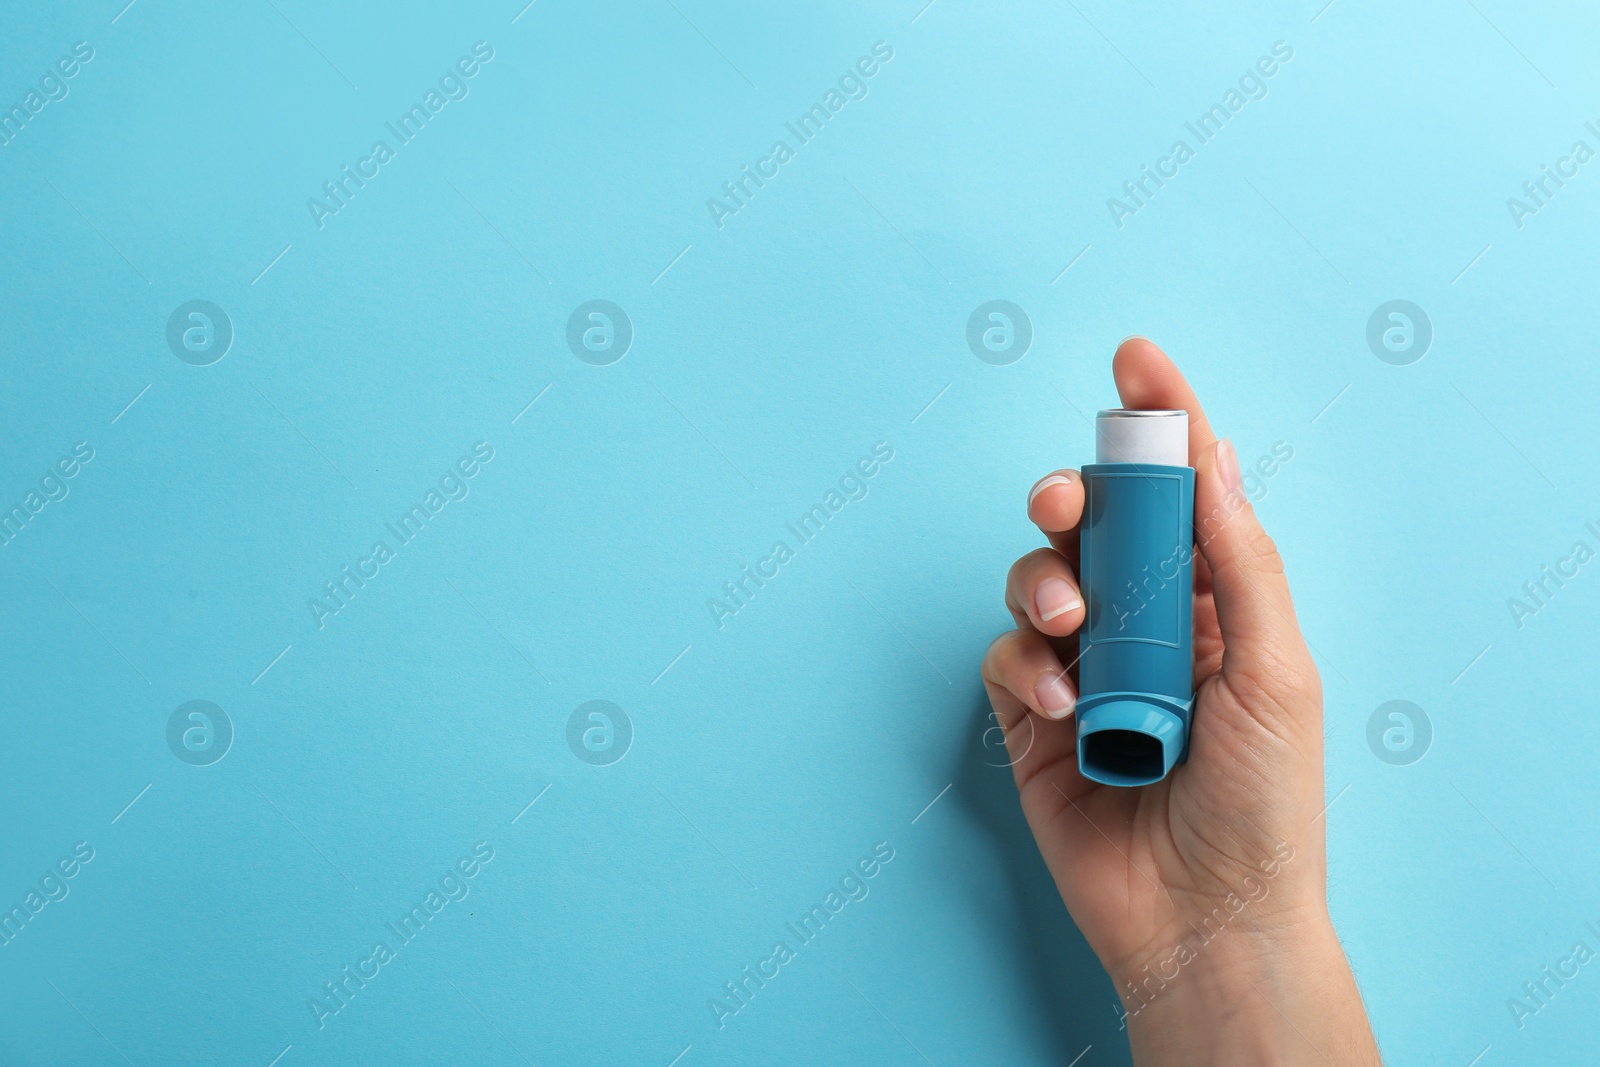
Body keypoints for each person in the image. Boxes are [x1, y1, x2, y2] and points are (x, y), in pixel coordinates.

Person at [981, 338, 1383, 1065]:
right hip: (1121, 723)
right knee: (1058, 592)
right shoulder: (1139, 495)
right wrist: (1216, 942)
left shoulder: (1163, 495)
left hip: (1143, 727)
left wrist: (1239, 920)